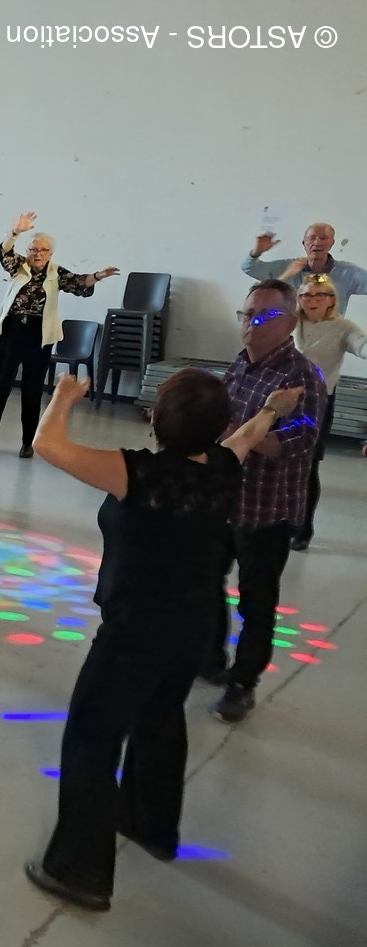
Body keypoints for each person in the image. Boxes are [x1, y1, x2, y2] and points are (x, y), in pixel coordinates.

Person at [23, 369, 302, 912]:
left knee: (91, 736)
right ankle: (150, 825)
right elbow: (247, 437)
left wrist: (63, 396)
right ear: (218, 425)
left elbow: (47, 445)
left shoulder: (139, 473)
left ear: (154, 419)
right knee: (160, 718)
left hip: (134, 633)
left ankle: (79, 870)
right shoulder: (222, 466)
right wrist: (272, 408)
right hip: (191, 627)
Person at [205, 279, 326, 723]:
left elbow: (291, 443)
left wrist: (236, 432)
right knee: (204, 581)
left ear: (291, 322)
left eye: (265, 315)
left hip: (266, 510)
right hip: (222, 501)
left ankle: (243, 683)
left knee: (256, 602)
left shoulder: (302, 377)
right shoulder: (239, 366)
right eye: (247, 314)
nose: (251, 323)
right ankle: (210, 659)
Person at [0, 212, 119, 458]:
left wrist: (97, 276)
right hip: (13, 330)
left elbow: (78, 283)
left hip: (39, 335)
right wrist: (15, 232)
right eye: (33, 249)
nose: (37, 254)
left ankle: (27, 442)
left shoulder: (56, 272)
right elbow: (3, 254)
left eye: (43, 250)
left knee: (32, 389)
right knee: (1, 385)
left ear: (51, 253)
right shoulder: (19, 267)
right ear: (27, 251)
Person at [279, 273, 367, 550]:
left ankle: (302, 528)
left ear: (331, 300)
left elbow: (362, 344)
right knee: (277, 459)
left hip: (317, 403)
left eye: (320, 295)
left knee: (308, 466)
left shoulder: (342, 327)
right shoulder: (289, 321)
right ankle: (277, 520)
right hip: (281, 400)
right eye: (306, 295)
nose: (312, 300)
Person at [242, 222, 367, 314]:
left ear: (332, 243)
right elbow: (249, 268)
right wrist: (257, 251)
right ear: (304, 243)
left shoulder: (347, 273)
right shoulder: (288, 267)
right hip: (291, 337)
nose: (317, 243)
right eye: (312, 238)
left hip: (330, 337)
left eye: (323, 238)